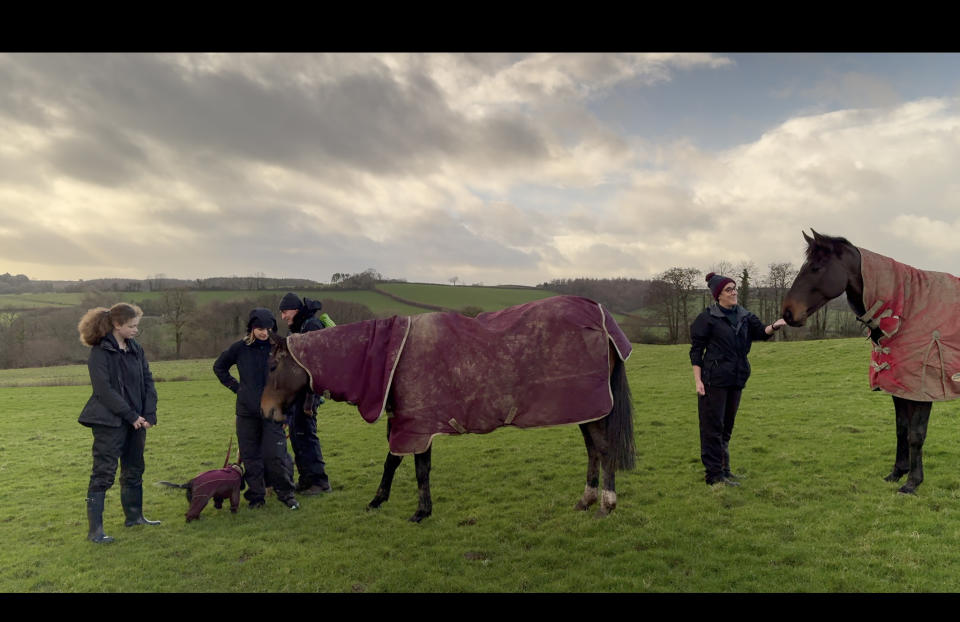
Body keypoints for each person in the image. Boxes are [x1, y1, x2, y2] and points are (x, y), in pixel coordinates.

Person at [689, 272, 788, 487]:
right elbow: (696, 352)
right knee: (712, 428)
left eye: (734, 288)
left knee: (727, 427)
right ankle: (714, 476)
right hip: (713, 379)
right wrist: (698, 380)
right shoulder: (707, 319)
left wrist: (776, 325)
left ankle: (725, 470)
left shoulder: (744, 315)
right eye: (728, 289)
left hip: (737, 378)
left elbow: (761, 332)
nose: (734, 292)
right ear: (718, 295)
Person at [77, 303, 161, 544]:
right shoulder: (99, 353)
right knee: (103, 474)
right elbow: (104, 390)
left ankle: (134, 517)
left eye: (137, 326)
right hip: (109, 422)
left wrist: (148, 414)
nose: (136, 330)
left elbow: (148, 381)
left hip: (137, 421)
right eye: (132, 326)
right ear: (117, 325)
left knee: (134, 469)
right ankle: (96, 532)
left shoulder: (136, 349)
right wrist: (130, 415)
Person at [213, 308, 300, 510]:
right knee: (250, 456)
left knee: (275, 455)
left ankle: (286, 494)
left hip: (273, 410)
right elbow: (219, 367)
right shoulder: (240, 348)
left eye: (269, 328)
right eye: (260, 328)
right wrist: (238, 388)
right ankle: (256, 497)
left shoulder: (282, 349)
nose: (264, 332)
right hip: (246, 412)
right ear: (251, 328)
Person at [278, 292, 332, 494]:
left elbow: (315, 366)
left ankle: (320, 482)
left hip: (307, 395)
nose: (283, 316)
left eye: (285, 311)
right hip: (297, 394)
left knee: (307, 436)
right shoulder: (299, 328)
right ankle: (306, 480)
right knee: (298, 436)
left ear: (296, 309)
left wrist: (310, 400)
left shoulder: (310, 326)